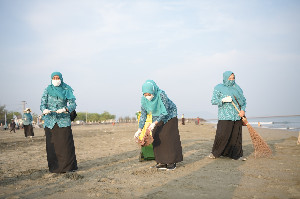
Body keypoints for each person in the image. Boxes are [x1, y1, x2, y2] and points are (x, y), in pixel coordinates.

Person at [134, 80, 183, 170]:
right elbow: (143, 115)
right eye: (145, 95)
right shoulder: (144, 100)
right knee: (156, 135)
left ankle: (171, 162)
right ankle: (161, 162)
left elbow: (165, 111)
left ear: (153, 91)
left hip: (170, 115)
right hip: (156, 116)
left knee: (167, 136)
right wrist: (139, 129)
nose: (147, 96)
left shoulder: (161, 95)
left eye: (149, 94)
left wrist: (154, 123)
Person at [40, 72, 78, 173]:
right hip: (50, 121)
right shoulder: (47, 90)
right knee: (52, 145)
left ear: (61, 78)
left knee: (65, 144)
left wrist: (66, 109)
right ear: (51, 79)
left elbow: (73, 104)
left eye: (57, 78)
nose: (56, 79)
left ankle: (68, 167)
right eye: (54, 78)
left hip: (63, 120)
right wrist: (44, 110)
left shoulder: (66, 89)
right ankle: (55, 168)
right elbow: (42, 103)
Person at [209, 71, 247, 160]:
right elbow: (213, 101)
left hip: (237, 115)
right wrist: (223, 100)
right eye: (229, 78)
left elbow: (243, 101)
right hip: (225, 116)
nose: (231, 80)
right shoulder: (218, 88)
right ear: (225, 78)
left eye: (233, 78)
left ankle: (237, 155)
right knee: (222, 135)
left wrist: (242, 110)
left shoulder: (237, 88)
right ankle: (215, 153)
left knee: (236, 136)